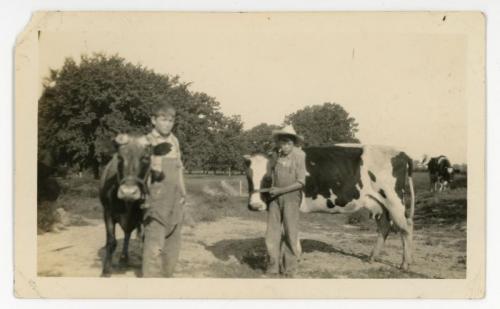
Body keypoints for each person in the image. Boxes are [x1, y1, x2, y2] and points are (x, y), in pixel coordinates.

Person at [142, 102, 187, 277]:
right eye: (163, 120)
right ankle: (151, 281)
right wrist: (147, 199)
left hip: (175, 198)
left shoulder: (174, 141)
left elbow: (179, 169)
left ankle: (167, 276)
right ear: (153, 120)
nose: (167, 124)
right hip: (156, 198)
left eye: (171, 120)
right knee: (155, 241)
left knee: (173, 239)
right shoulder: (147, 141)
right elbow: (142, 175)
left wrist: (183, 192)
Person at [266, 125, 306, 277]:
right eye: (282, 142)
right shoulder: (275, 155)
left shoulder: (300, 156)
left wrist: (281, 190)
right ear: (278, 143)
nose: (285, 146)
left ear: (294, 143)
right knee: (272, 233)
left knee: (290, 232)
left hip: (291, 198)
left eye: (288, 143)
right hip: (274, 199)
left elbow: (301, 182)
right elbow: (268, 176)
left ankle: (290, 269)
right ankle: (272, 267)